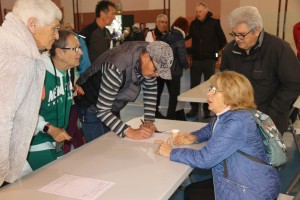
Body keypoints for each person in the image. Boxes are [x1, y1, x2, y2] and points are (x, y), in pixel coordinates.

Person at [156, 71, 280, 200]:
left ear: (231, 95)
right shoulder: (229, 114)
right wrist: (195, 137)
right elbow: (211, 128)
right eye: (210, 89)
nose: (209, 93)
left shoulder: (237, 121)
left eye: (214, 90)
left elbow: (205, 159)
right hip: (240, 178)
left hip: (251, 190)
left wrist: (172, 153)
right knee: (191, 190)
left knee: (193, 194)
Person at [0, 0, 62, 186]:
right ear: (32, 24)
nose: (57, 36)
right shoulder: (19, 58)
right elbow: (2, 119)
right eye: (54, 28)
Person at [221, 6, 300, 134]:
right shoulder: (230, 50)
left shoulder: (279, 49)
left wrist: (272, 112)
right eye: (234, 34)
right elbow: (225, 82)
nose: (236, 39)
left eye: (241, 35)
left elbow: (294, 82)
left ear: (257, 31)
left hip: (270, 121)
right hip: (238, 119)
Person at [75, 41, 173, 142]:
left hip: (111, 103)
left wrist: (149, 120)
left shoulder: (151, 55)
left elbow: (150, 89)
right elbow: (103, 110)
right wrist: (132, 132)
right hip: (90, 103)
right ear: (145, 57)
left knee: (112, 143)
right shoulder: (117, 66)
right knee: (98, 146)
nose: (157, 75)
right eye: (156, 70)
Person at [26, 29, 83, 171]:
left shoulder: (65, 70)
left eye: (80, 48)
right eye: (75, 49)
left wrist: (72, 91)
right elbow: (25, 112)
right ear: (59, 52)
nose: (80, 53)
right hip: (36, 139)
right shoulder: (39, 73)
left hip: (57, 138)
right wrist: (48, 128)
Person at [185, 2, 227, 119]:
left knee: (210, 86)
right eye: (196, 11)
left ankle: (207, 110)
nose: (198, 13)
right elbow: (187, 37)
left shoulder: (214, 23)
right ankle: (193, 109)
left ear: (206, 11)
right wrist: (178, 34)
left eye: (200, 11)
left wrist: (215, 54)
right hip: (196, 60)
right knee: (194, 85)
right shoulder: (193, 24)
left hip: (209, 60)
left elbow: (223, 40)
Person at [160, 17, 189, 120]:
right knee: (174, 98)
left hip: (163, 70)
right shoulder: (179, 37)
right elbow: (181, 55)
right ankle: (171, 118)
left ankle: (181, 117)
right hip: (174, 71)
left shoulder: (166, 35)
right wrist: (186, 65)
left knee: (173, 96)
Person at [145, 14, 169, 119]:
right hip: (154, 69)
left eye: (165, 22)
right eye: (162, 22)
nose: (164, 24)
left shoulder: (168, 34)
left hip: (165, 69)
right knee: (155, 92)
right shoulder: (151, 34)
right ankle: (154, 112)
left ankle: (162, 111)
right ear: (157, 22)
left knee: (166, 91)